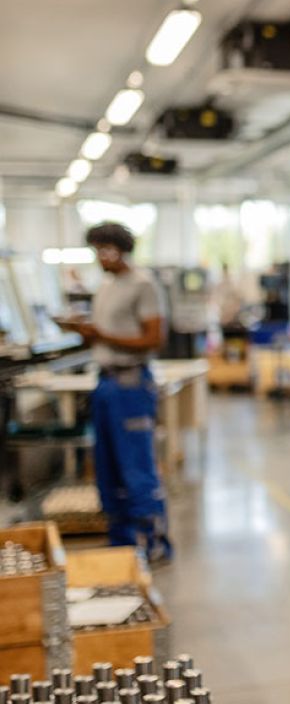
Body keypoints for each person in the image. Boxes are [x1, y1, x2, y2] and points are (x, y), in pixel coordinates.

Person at [60, 222, 172, 562]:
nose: (99, 257)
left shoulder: (143, 284)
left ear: (119, 249)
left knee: (136, 469)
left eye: (103, 249)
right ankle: (122, 548)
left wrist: (102, 335)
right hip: (105, 383)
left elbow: (154, 339)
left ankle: (155, 545)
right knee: (108, 471)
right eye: (95, 250)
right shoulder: (107, 285)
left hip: (131, 384)